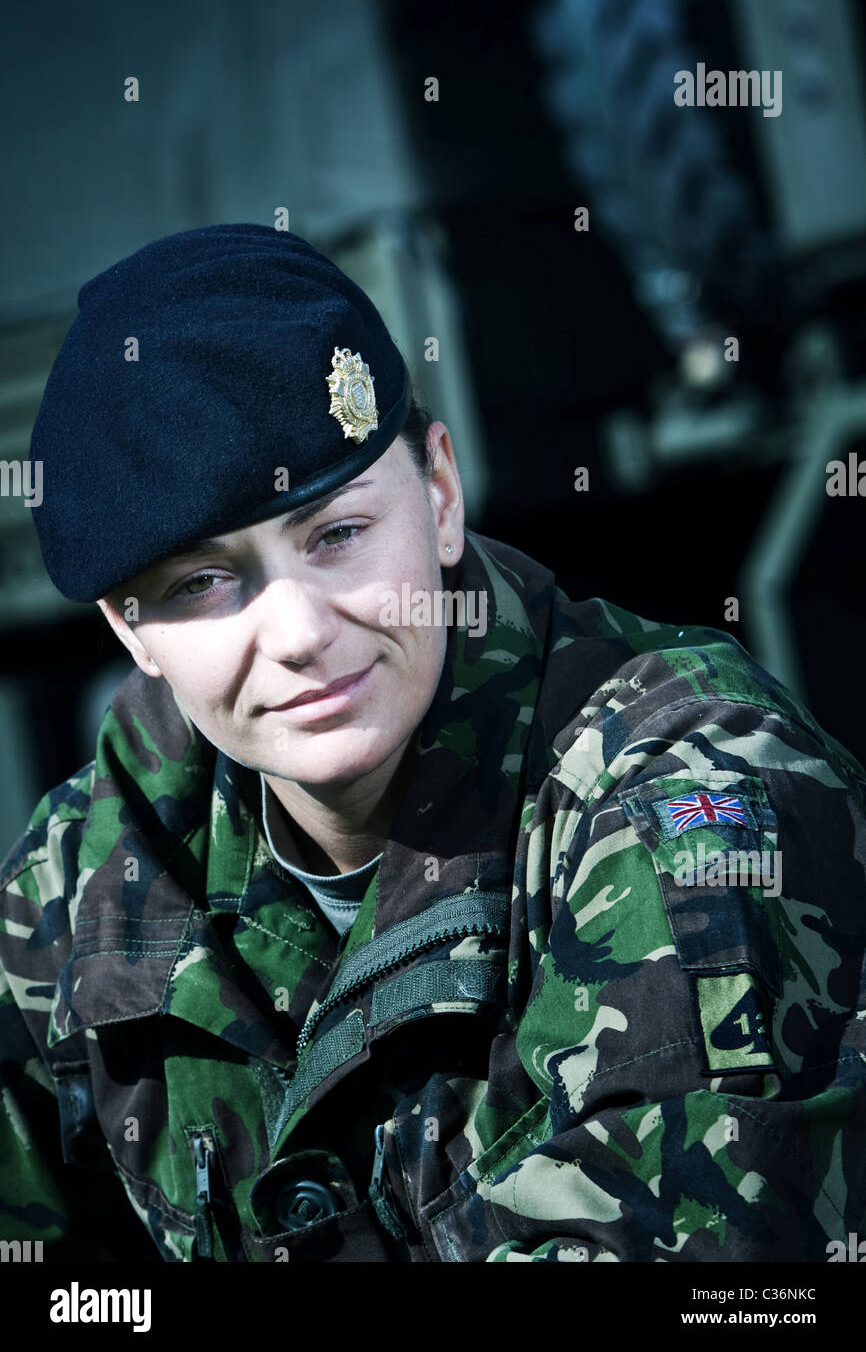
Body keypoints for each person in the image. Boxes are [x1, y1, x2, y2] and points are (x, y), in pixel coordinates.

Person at [1, 223, 864, 1264]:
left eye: (336, 535)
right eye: (201, 583)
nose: (302, 633)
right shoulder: (92, 873)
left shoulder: (684, 803)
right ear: (129, 631)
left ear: (440, 498)